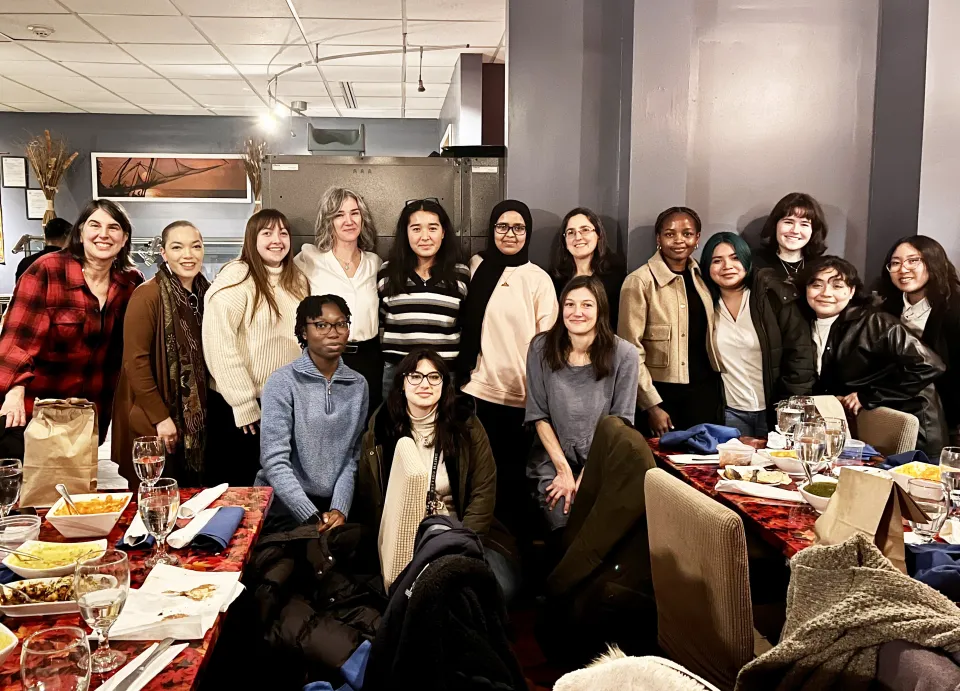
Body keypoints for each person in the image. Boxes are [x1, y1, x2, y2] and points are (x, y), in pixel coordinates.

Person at [0, 200, 143, 453]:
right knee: (26, 488)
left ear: (124, 238)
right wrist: (13, 393)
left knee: (75, 488)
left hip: (90, 414)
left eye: (113, 227)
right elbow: (17, 339)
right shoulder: (47, 270)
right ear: (80, 232)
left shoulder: (130, 282)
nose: (103, 234)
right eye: (95, 225)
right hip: (36, 412)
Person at [457, 199, 558, 536]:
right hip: (478, 390)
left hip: (521, 398)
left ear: (527, 233)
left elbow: (548, 344)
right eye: (502, 226)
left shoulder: (538, 279)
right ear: (492, 229)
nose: (510, 234)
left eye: (518, 227)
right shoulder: (477, 268)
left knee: (513, 482)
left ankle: (509, 555)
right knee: (477, 479)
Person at [798, 256, 947, 456]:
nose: (826, 293)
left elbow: (930, 364)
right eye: (817, 285)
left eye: (837, 285)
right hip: (867, 433)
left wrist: (868, 396)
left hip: (914, 434)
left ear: (851, 291)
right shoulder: (805, 324)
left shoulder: (875, 322)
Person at [203, 209, 307, 486]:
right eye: (267, 233)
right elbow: (219, 343)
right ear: (252, 239)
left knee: (277, 490)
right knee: (241, 492)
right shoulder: (238, 278)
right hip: (245, 408)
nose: (277, 240)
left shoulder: (296, 280)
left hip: (283, 404)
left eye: (283, 233)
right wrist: (243, 402)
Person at [525, 275, 638, 529]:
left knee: (599, 520)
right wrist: (564, 472)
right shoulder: (540, 348)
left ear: (600, 311)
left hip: (604, 459)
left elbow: (620, 424)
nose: (577, 312)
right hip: (553, 459)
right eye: (569, 304)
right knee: (563, 513)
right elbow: (538, 415)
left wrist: (585, 479)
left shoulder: (625, 354)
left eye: (587, 305)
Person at [257, 294, 368, 533]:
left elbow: (353, 456)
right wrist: (309, 515)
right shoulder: (282, 382)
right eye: (321, 325)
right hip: (284, 503)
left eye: (341, 323)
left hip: (334, 507)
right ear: (303, 332)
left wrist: (340, 508)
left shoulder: (358, 384)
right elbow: (274, 460)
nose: (333, 332)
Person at [113, 221, 210, 490]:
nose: (188, 255)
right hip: (154, 417)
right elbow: (136, 362)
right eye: (177, 247)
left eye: (195, 246)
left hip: (196, 421)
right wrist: (160, 417)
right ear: (164, 253)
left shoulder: (207, 293)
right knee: (157, 495)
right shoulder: (147, 296)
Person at [618, 206, 722, 436]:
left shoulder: (704, 277)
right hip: (663, 397)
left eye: (687, 234)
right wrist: (652, 406)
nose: (679, 240)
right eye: (669, 233)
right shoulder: (639, 281)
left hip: (704, 393)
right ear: (658, 238)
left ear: (697, 239)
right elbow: (630, 351)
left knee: (701, 468)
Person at [700, 232, 816, 437]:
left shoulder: (773, 295)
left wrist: (788, 409)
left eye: (735, 258)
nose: (727, 266)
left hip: (776, 411)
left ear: (747, 260)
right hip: (729, 413)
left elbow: (800, 355)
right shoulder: (706, 304)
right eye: (717, 260)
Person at [295, 187, 384, 413]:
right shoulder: (310, 259)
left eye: (354, 213)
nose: (349, 221)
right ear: (328, 221)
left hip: (369, 358)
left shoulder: (374, 263)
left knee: (366, 429)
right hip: (326, 357)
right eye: (339, 215)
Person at [378, 198, 469, 398]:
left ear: (443, 232)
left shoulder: (460, 275)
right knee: (394, 428)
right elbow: (382, 321)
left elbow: (465, 325)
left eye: (433, 228)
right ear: (406, 233)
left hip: (444, 375)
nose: (425, 237)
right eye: (416, 229)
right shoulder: (387, 273)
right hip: (398, 375)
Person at [877, 236, 960, 448]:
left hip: (949, 417)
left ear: (933, 262)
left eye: (913, 260)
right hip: (899, 413)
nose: (903, 269)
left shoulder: (954, 308)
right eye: (895, 263)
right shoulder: (885, 310)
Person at [548, 207, 626, 330]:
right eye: (571, 232)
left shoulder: (617, 280)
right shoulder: (553, 280)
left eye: (585, 230)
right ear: (564, 240)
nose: (578, 237)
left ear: (598, 235)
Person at [752, 192, 828, 282]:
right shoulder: (752, 263)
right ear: (775, 225)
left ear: (814, 231)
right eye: (788, 222)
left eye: (804, 224)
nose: (795, 230)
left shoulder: (822, 269)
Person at [15, 217, 71, 283]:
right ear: (66, 235)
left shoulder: (26, 262)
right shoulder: (71, 263)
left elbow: (18, 290)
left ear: (45, 237)